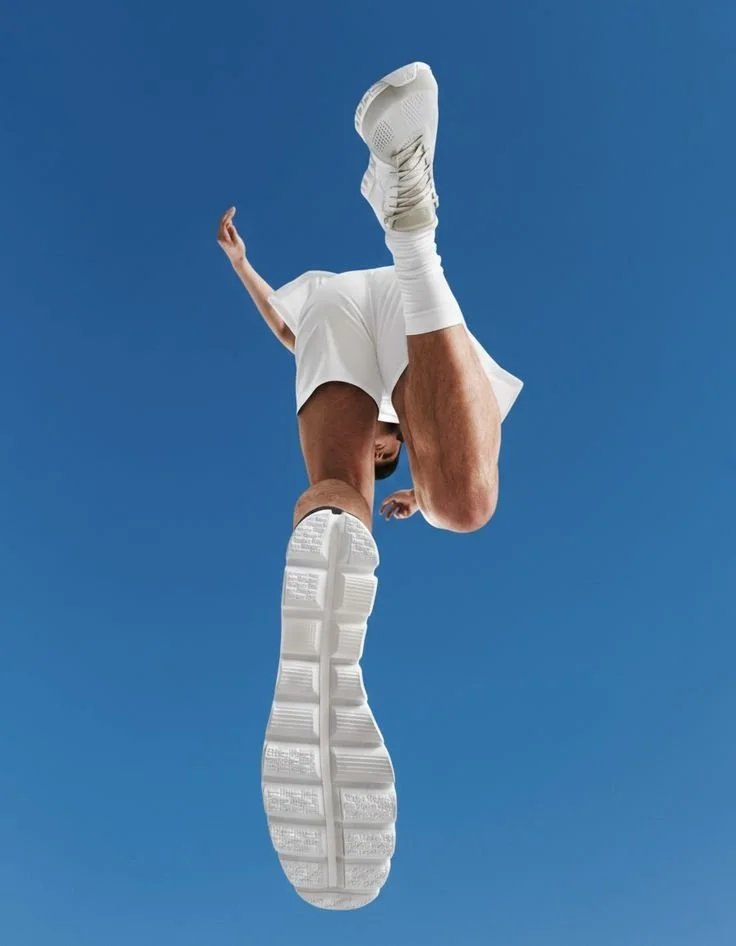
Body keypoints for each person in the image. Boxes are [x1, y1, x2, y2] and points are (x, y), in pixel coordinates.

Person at [217, 63, 523, 911]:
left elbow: (284, 326)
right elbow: (281, 324)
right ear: (397, 441)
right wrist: (245, 265)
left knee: (407, 497)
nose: (389, 444)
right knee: (460, 500)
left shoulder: (394, 432)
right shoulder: (405, 426)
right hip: (386, 307)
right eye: (397, 448)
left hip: (349, 306)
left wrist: (246, 268)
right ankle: (410, 224)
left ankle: (410, 219)